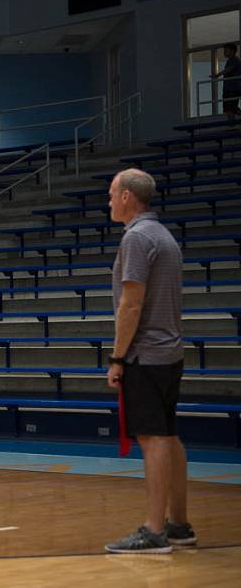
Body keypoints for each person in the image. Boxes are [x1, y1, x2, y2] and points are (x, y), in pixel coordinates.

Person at [104, 168, 194, 554]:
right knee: (169, 435)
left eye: (111, 194)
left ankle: (154, 530)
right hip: (170, 352)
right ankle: (178, 524)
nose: (108, 202)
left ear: (127, 197)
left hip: (146, 353)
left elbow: (132, 303)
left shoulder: (137, 238)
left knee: (153, 438)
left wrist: (118, 357)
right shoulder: (163, 235)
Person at [210, 42, 240, 120]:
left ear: (232, 51)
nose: (224, 52)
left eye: (226, 50)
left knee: (231, 109)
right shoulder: (229, 61)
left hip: (233, 89)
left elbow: (229, 69)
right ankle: (231, 125)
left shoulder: (235, 60)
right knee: (228, 110)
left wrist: (218, 74)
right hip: (227, 89)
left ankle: (232, 124)